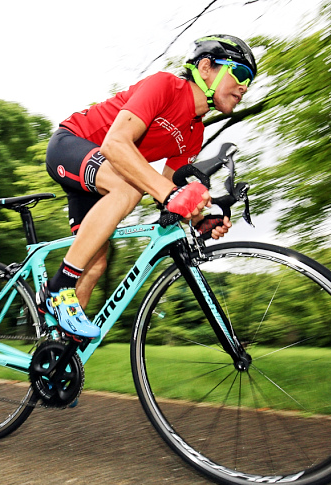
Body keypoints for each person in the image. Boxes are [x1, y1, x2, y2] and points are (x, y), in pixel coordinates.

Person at [40, 34, 257, 339]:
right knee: (129, 189)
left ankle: (56, 358)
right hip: (72, 144)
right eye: (241, 74)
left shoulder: (194, 132)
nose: (245, 87)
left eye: (250, 81)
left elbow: (167, 193)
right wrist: (172, 195)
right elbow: (115, 144)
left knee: (94, 263)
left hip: (102, 175)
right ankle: (56, 289)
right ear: (206, 67)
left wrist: (200, 217)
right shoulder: (166, 86)